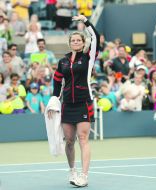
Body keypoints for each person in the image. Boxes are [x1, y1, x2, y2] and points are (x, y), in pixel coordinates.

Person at [48, 14, 99, 187]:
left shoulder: (88, 58)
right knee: (69, 141)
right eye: (74, 40)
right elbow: (56, 82)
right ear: (70, 43)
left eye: (79, 40)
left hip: (84, 103)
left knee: (83, 138)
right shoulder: (62, 61)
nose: (76, 42)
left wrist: (85, 22)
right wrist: (53, 102)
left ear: (84, 43)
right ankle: (72, 171)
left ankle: (84, 176)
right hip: (67, 105)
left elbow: (96, 37)